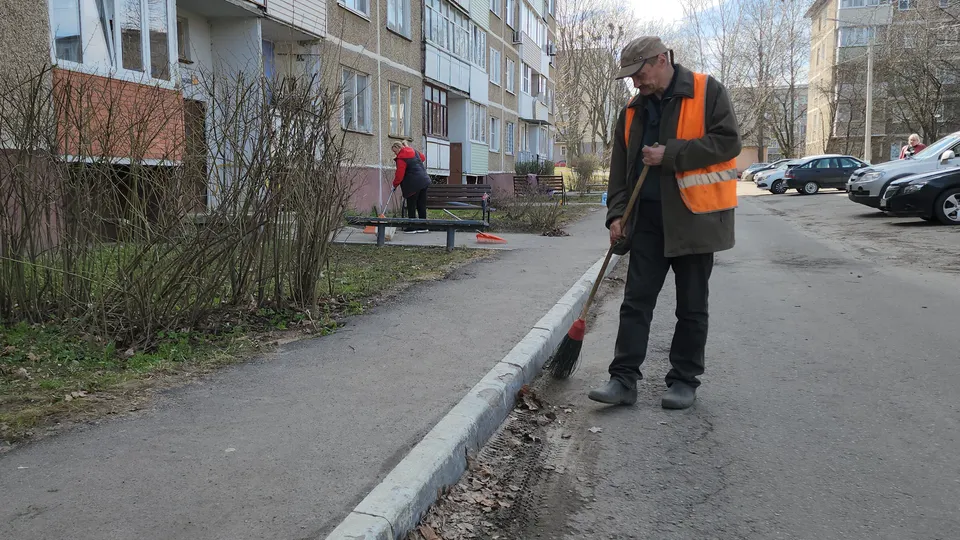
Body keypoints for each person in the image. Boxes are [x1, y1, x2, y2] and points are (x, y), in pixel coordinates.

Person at [587, 36, 741, 410]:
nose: (635, 83)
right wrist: (617, 214)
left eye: (638, 74)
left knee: (691, 306)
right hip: (648, 221)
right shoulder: (631, 109)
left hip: (695, 219)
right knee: (635, 303)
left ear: (661, 60)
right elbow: (621, 169)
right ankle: (623, 380)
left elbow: (728, 143)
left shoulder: (707, 91)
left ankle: (684, 381)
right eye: (630, 78)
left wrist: (670, 154)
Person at [391, 141, 431, 233]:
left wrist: (394, 185)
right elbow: (423, 158)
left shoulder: (401, 158)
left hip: (413, 183)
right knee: (421, 204)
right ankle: (423, 226)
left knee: (411, 205)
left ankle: (412, 227)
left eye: (395, 151)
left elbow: (399, 174)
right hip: (424, 181)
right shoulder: (413, 151)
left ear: (398, 148)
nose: (395, 154)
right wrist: (409, 148)